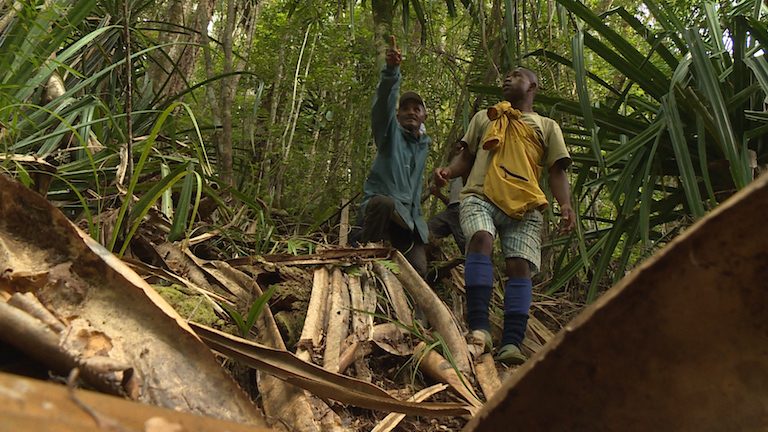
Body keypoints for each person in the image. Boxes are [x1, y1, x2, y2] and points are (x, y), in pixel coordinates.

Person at [433, 67, 576, 364]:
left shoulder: (547, 126)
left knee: (519, 266)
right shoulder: (486, 117)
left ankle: (511, 342)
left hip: (525, 205)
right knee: (481, 238)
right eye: (506, 76)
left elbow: (557, 170)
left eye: (517, 75)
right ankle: (479, 328)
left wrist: (565, 204)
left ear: (533, 86)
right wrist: (448, 171)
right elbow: (467, 157)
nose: (508, 79)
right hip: (480, 195)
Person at [358, 35, 430, 277]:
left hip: (407, 220)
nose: (411, 112)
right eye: (405, 109)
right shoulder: (390, 135)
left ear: (424, 116)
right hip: (382, 212)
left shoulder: (423, 146)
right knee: (383, 203)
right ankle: (365, 257)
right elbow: (382, 107)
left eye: (416, 109)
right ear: (397, 115)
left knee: (419, 271)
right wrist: (391, 71)